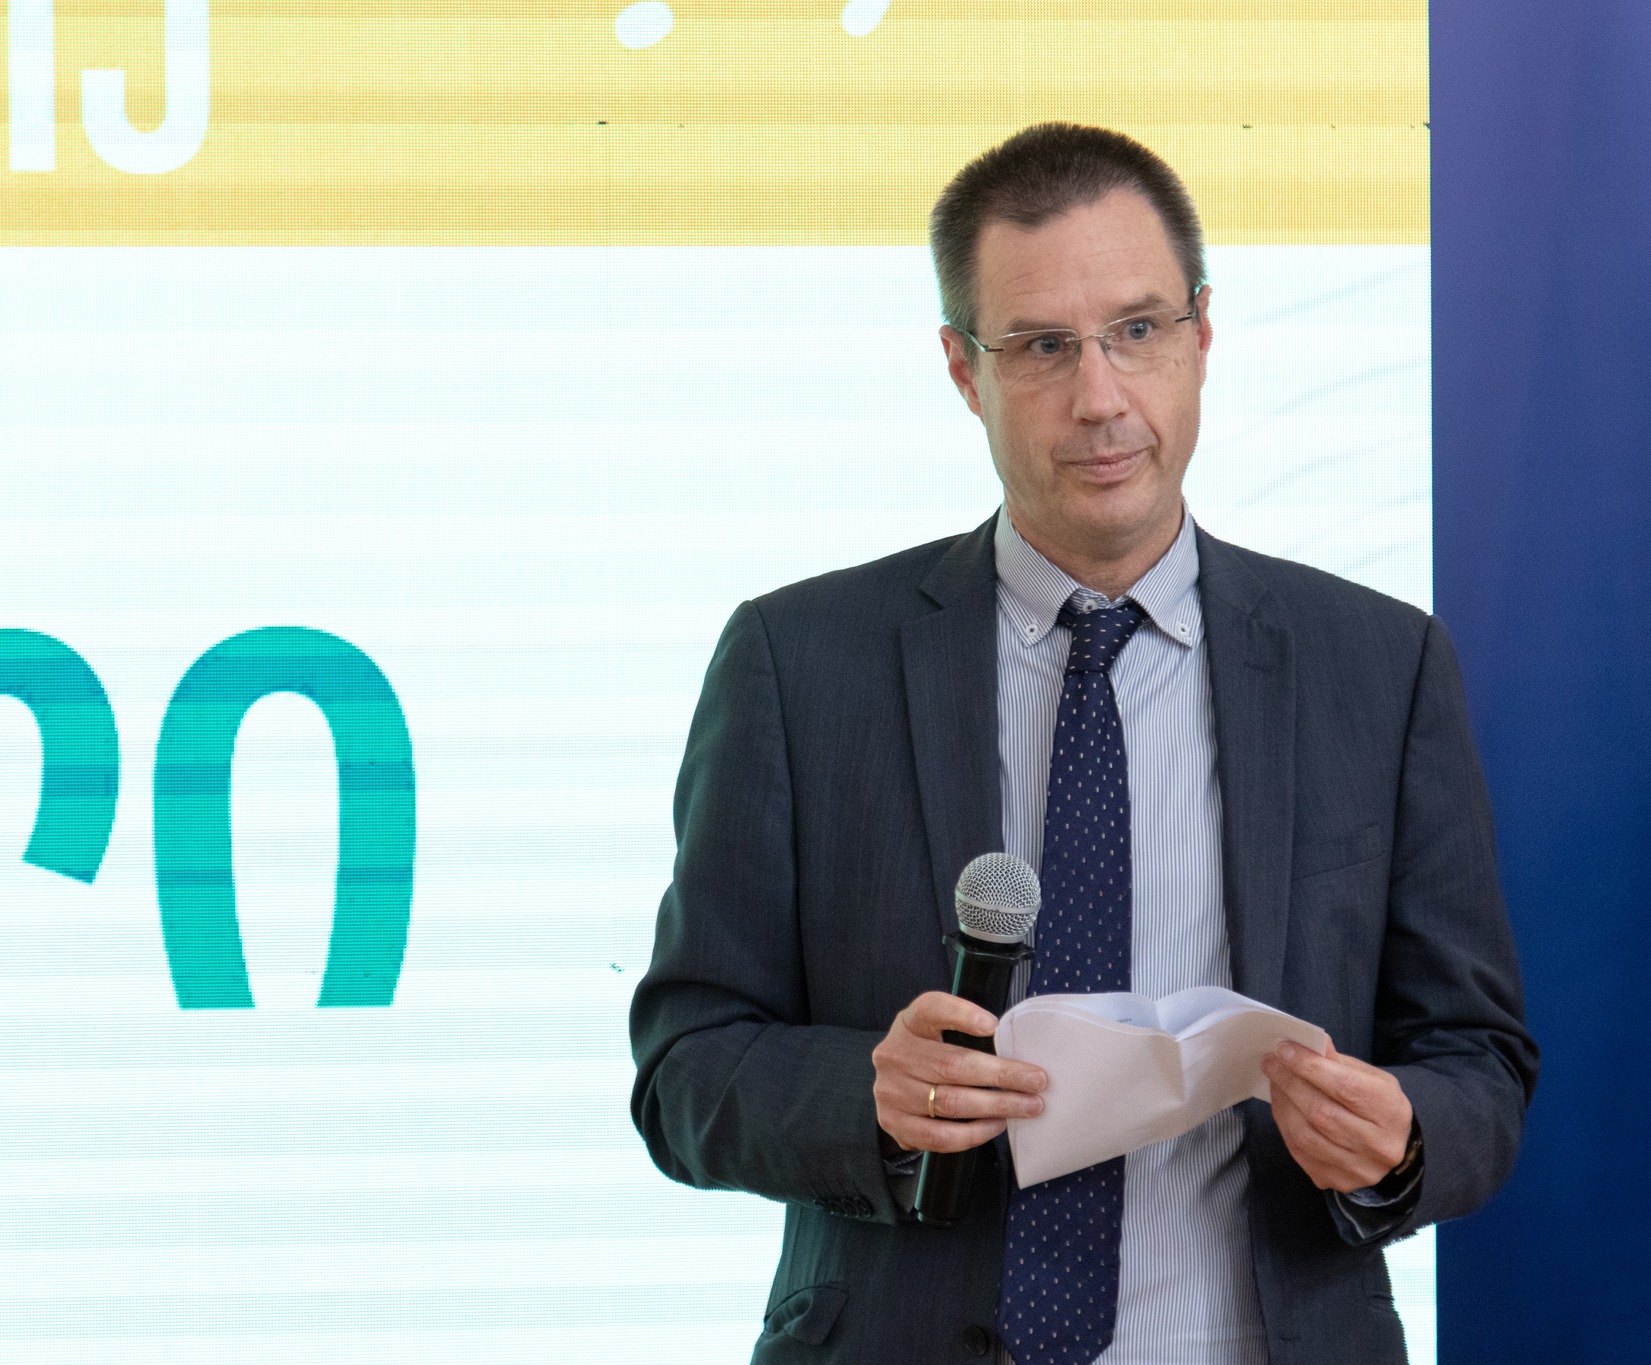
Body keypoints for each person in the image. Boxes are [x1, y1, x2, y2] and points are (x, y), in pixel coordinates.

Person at [629, 122, 1537, 1365]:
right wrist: (865, 1099)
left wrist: (1401, 1136)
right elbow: (685, 1068)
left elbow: (1478, 1062)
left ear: (1202, 337)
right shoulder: (800, 664)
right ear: (963, 370)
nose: (1099, 398)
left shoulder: (1377, 667)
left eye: (1137, 330)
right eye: (1042, 347)